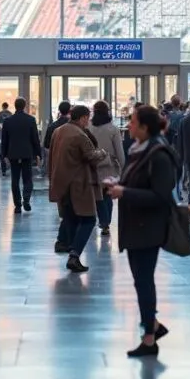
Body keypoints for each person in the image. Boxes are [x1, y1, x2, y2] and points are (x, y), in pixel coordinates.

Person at [108, 105, 177, 358]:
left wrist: (124, 192)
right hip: (135, 225)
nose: (129, 126)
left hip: (148, 227)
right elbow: (137, 182)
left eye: (133, 122)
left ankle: (149, 337)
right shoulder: (139, 151)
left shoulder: (158, 154)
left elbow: (160, 196)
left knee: (144, 281)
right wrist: (119, 185)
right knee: (141, 280)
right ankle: (153, 327)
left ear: (145, 127)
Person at [49, 105, 106, 273]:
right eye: (87, 118)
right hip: (79, 183)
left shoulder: (58, 131)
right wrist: (102, 153)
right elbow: (91, 156)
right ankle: (74, 255)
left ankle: (67, 245)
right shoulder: (80, 135)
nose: (88, 122)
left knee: (71, 217)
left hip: (62, 182)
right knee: (88, 219)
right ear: (82, 118)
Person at [0, 96, 42, 215]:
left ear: (15, 106)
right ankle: (26, 199)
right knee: (27, 178)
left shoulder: (8, 121)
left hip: (13, 153)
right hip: (26, 153)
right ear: (24, 106)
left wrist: (4, 155)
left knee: (15, 179)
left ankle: (17, 205)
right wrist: (38, 154)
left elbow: (5, 140)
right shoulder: (30, 120)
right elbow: (35, 139)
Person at [89, 100, 125, 237]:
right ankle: (105, 223)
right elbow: (119, 152)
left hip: (92, 165)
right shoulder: (113, 129)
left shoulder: (89, 127)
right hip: (109, 166)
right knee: (107, 195)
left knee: (97, 195)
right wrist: (123, 167)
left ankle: (100, 220)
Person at [43, 101, 71, 180]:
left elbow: (46, 145)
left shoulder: (52, 126)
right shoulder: (75, 126)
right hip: (70, 161)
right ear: (70, 111)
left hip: (56, 161)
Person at [0, 102, 13, 175]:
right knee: (10, 153)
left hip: (1, 137)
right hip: (9, 138)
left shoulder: (0, 114)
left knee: (2, 154)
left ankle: (3, 170)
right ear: (7, 106)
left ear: (2, 106)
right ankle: (10, 167)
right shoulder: (10, 114)